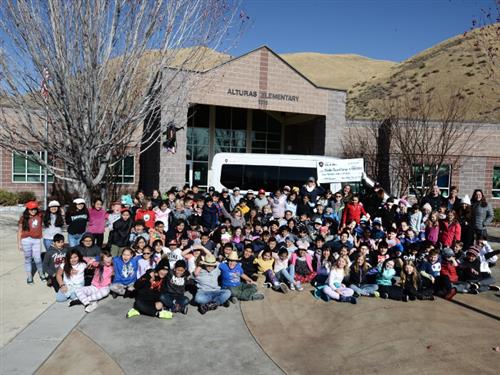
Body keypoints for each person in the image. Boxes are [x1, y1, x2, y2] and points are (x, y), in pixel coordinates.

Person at [18, 201, 44, 284]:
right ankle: (29, 277)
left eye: (35, 209)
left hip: (36, 240)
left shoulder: (39, 215)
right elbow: (19, 231)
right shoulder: (23, 218)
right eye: (31, 209)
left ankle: (41, 274)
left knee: (38, 259)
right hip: (26, 240)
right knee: (28, 258)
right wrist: (19, 243)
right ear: (28, 209)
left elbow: (47, 212)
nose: (33, 211)